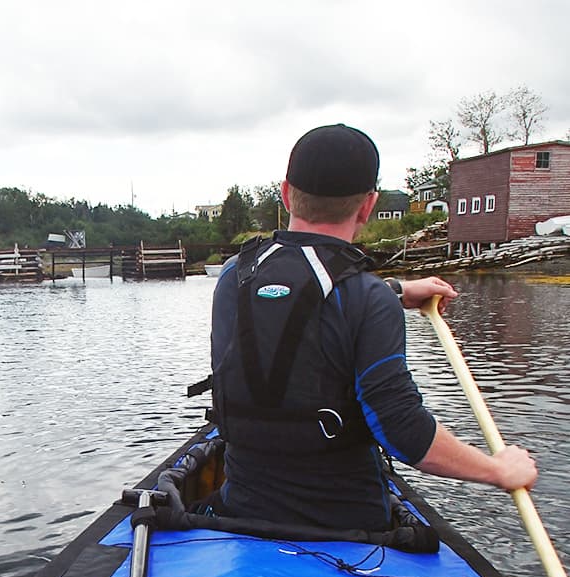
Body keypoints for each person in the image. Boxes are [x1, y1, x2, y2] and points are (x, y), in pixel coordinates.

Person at [210, 123, 537, 531]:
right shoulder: (366, 298)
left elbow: (297, 299)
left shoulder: (233, 277)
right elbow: (402, 430)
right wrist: (497, 470)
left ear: (285, 192)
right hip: (348, 525)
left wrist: (393, 290)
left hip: (242, 510)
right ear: (368, 205)